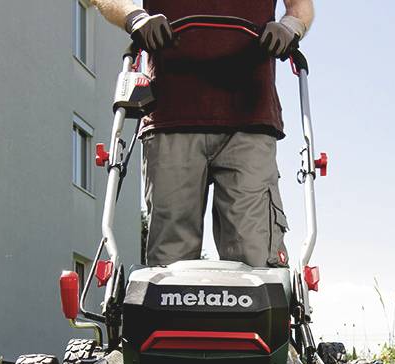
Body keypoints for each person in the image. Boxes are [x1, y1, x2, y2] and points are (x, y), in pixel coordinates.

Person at [92, 1, 316, 269]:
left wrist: (288, 27)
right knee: (169, 262)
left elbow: (300, 7)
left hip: (249, 119)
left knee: (255, 256)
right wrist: (136, 18)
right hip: (170, 115)